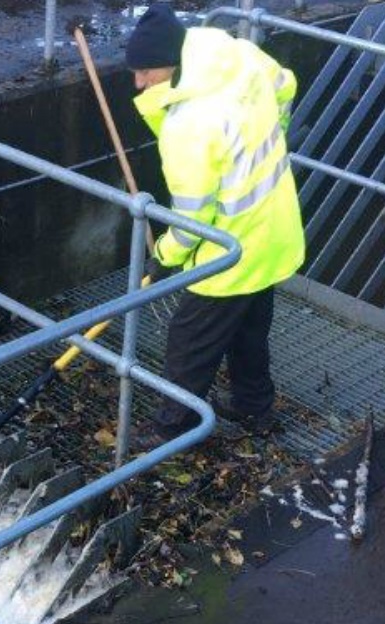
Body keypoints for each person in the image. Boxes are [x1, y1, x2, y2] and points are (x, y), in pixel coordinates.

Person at [126, 4, 306, 449]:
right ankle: (254, 407)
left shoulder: (188, 125)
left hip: (231, 249)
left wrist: (163, 258)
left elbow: (191, 221)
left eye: (146, 71)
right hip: (274, 228)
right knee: (247, 329)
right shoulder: (235, 53)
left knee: (189, 340)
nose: (139, 82)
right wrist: (272, 134)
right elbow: (286, 84)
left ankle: (174, 427)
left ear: (172, 60)